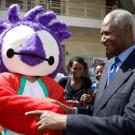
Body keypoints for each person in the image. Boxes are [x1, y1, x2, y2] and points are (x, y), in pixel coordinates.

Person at [26, 9, 135, 135]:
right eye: (101, 34)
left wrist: (66, 121)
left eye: (107, 33)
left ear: (127, 30)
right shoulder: (109, 65)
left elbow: (130, 124)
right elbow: (100, 111)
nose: (102, 40)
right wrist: (72, 111)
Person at [0, 4, 71, 135]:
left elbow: (64, 111)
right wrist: (48, 107)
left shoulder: (52, 86)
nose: (34, 48)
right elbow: (4, 104)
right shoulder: (5, 78)